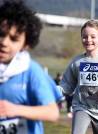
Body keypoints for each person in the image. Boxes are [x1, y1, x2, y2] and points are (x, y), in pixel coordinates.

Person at [0, 1, 62, 134]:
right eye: (1, 34)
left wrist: (15, 110)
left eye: (14, 39)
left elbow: (52, 112)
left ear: (25, 44)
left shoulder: (31, 71)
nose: (4, 42)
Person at [59, 20, 98, 134]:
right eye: (85, 37)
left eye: (93, 36)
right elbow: (67, 85)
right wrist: (52, 92)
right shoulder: (77, 62)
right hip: (82, 107)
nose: (88, 40)